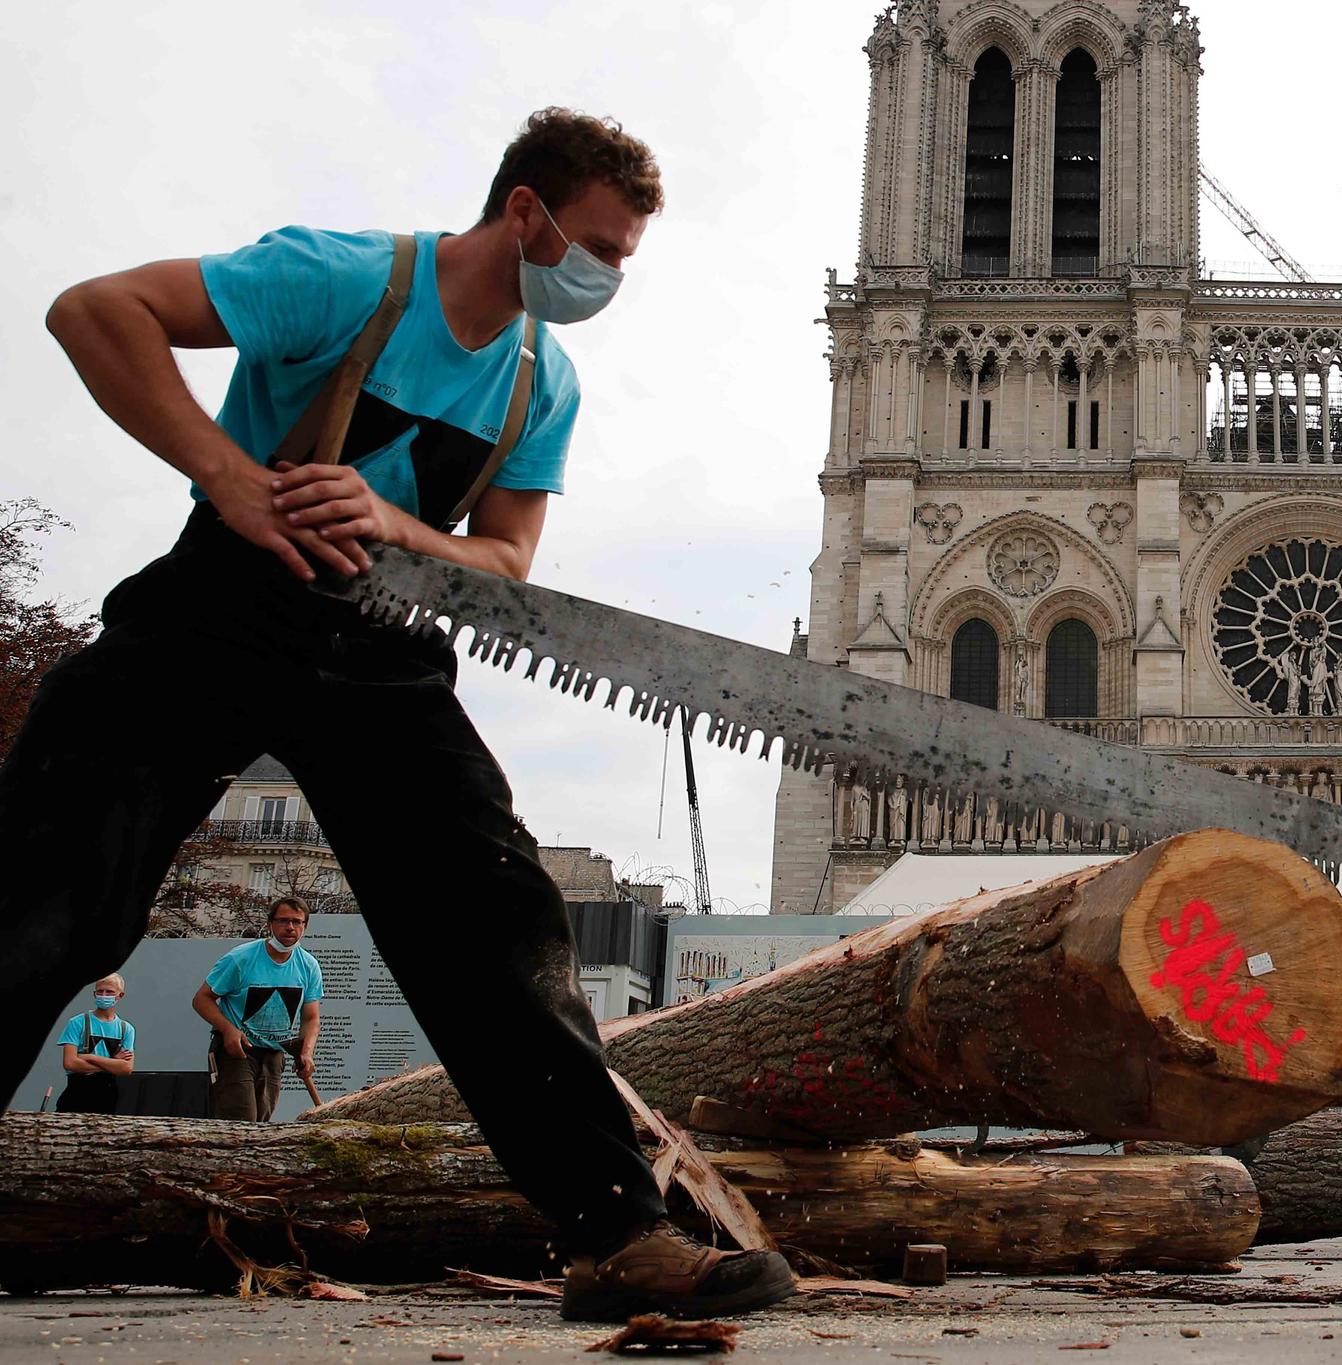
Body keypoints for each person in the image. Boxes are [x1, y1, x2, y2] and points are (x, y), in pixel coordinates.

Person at [4, 108, 793, 1321]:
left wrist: (392, 528)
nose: (606, 279)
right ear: (523, 212)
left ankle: (617, 1234)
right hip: (222, 603)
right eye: (598, 248)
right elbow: (94, 310)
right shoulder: (342, 277)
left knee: (498, 925)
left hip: (382, 648)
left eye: (624, 259)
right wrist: (229, 475)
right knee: (54, 898)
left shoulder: (543, 376)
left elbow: (507, 561)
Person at [194, 896, 323, 1121]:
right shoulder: (240, 958)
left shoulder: (309, 966)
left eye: (296, 921)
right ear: (270, 924)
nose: (290, 927)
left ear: (305, 926)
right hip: (238, 1051)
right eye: (283, 920)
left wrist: (306, 1052)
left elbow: (311, 1017)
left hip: (274, 1054)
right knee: (241, 1119)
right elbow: (202, 999)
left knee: (262, 1120)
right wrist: (228, 1030)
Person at [55, 973, 135, 1114]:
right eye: (100, 991)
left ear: (120, 996)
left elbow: (126, 1068)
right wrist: (112, 1064)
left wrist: (90, 1057)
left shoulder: (126, 1029)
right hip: (76, 1093)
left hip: (108, 1096)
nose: (104, 995)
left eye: (109, 992)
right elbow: (70, 1063)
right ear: (94, 994)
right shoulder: (77, 1023)